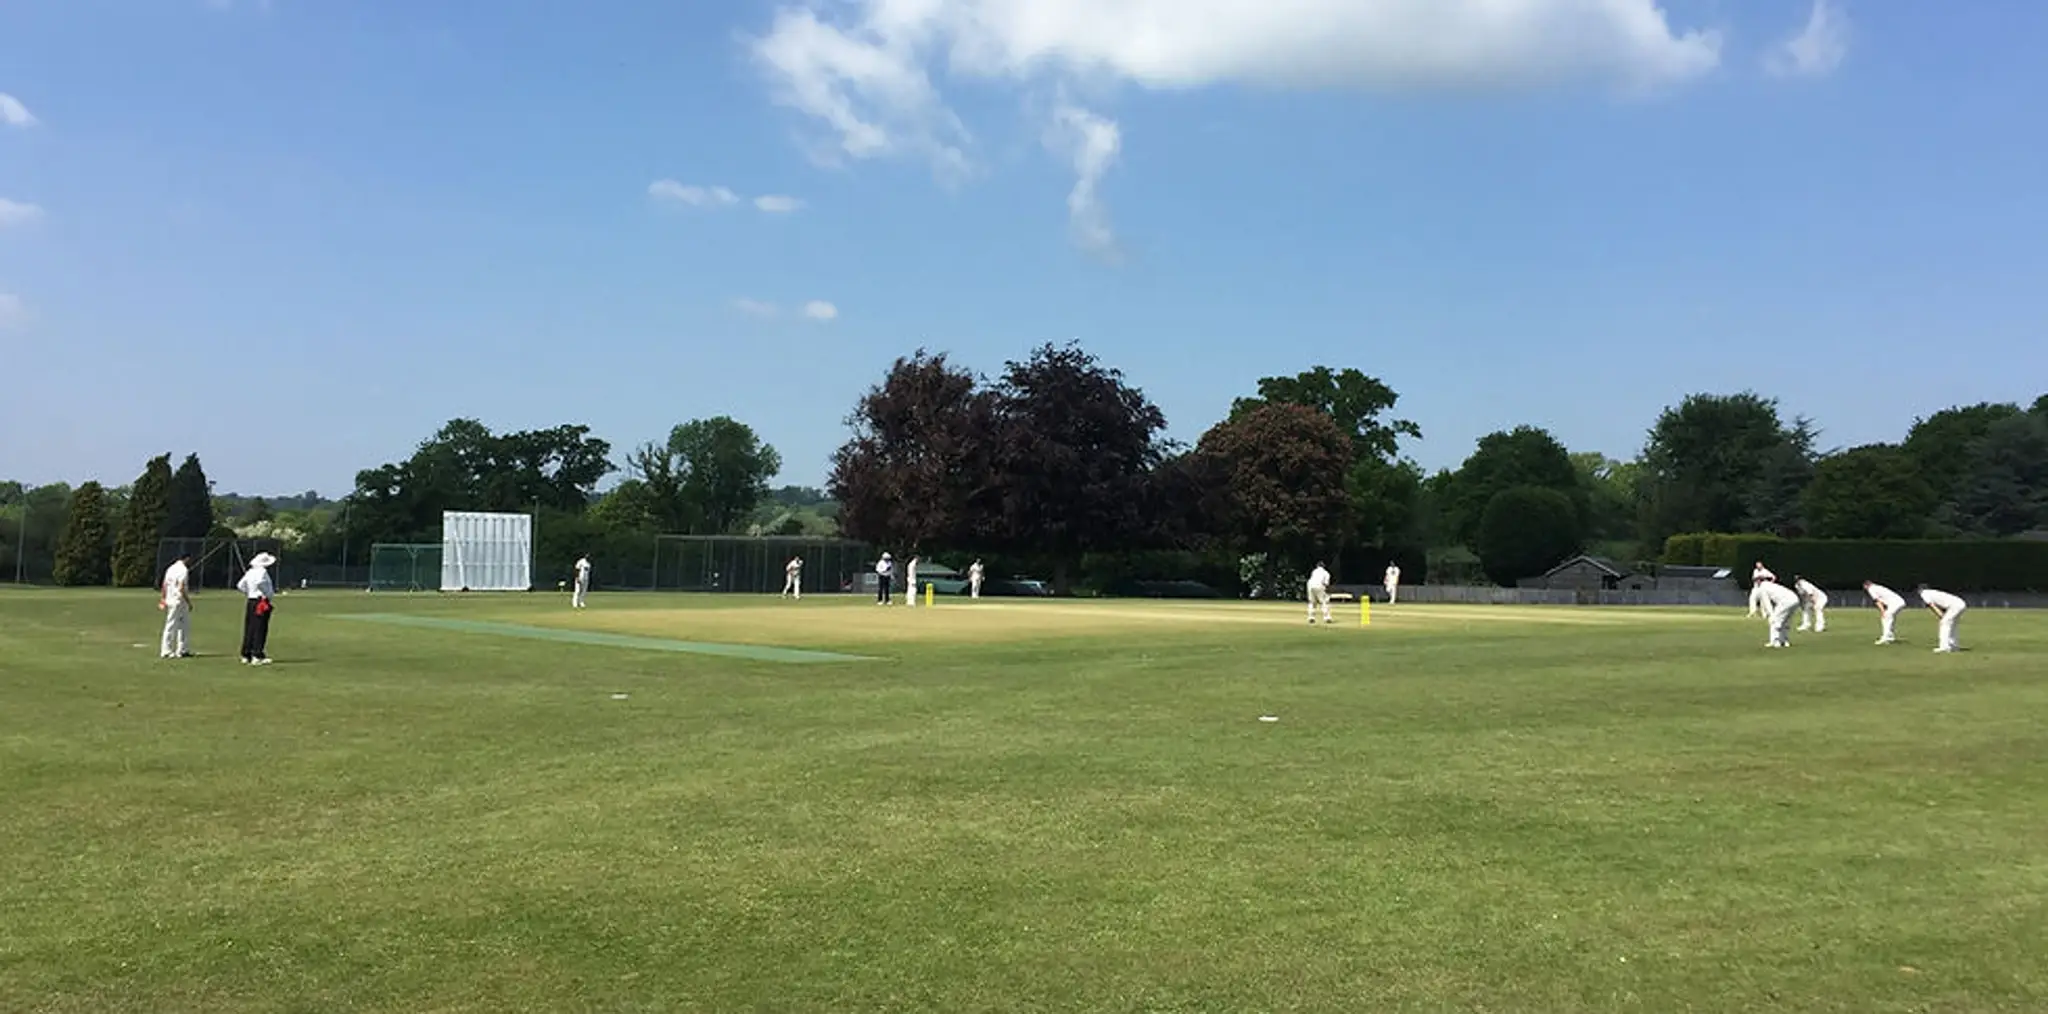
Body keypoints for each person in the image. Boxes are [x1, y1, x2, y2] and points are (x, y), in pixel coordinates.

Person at [237, 551, 278, 665]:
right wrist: (266, 594)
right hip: (261, 601)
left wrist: (249, 592)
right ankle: (257, 654)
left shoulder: (250, 572)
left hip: (251, 600)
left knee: (250, 627)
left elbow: (240, 585)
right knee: (260, 627)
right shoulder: (262, 572)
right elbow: (260, 583)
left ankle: (246, 654)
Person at [158, 553, 194, 659]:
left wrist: (163, 598)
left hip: (171, 599)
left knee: (183, 625)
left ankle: (183, 650)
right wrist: (189, 602)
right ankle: (166, 650)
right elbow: (181, 587)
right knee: (173, 625)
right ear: (186, 559)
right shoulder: (183, 570)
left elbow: (164, 585)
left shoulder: (170, 568)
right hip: (178, 600)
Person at [1919, 585, 1967, 653]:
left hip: (1955, 606)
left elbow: (1931, 605)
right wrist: (1942, 615)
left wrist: (1941, 616)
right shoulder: (1933, 592)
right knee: (1953, 625)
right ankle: (1954, 646)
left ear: (1920, 590)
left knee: (1944, 623)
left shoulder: (1924, 593)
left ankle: (1944, 647)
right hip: (1961, 603)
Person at [1756, 578, 1801, 648]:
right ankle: (1784, 641)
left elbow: (1766, 602)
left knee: (1774, 621)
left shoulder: (1762, 588)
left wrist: (1771, 614)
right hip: (1795, 599)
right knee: (1786, 621)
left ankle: (1775, 641)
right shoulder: (1773, 585)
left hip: (1785, 601)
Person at [1863, 580, 1906, 645]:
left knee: (1885, 618)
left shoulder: (1871, 589)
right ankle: (1890, 637)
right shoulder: (1877, 587)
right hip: (1899, 602)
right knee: (1890, 618)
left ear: (1866, 586)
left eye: (1865, 587)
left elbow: (1877, 601)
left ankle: (1885, 637)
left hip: (1895, 603)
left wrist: (1882, 611)